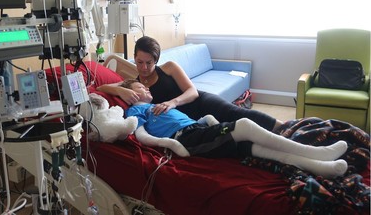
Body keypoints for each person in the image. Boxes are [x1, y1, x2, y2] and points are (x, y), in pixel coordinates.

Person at [121, 79, 348, 178]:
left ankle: (321, 166)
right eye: (140, 87)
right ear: (132, 94)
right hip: (186, 139)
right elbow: (141, 135)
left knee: (256, 148)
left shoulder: (156, 104)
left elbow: (192, 120)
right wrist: (171, 144)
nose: (146, 88)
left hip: (196, 131)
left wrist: (209, 120)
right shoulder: (137, 111)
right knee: (245, 125)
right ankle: (315, 152)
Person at [97, 36, 283, 132]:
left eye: (149, 62)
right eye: (139, 62)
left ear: (156, 60)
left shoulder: (169, 68)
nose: (144, 67)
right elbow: (101, 88)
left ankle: (283, 127)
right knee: (232, 132)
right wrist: (119, 91)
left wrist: (172, 102)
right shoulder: (135, 84)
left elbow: (192, 91)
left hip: (201, 102)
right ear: (135, 59)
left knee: (237, 114)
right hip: (187, 122)